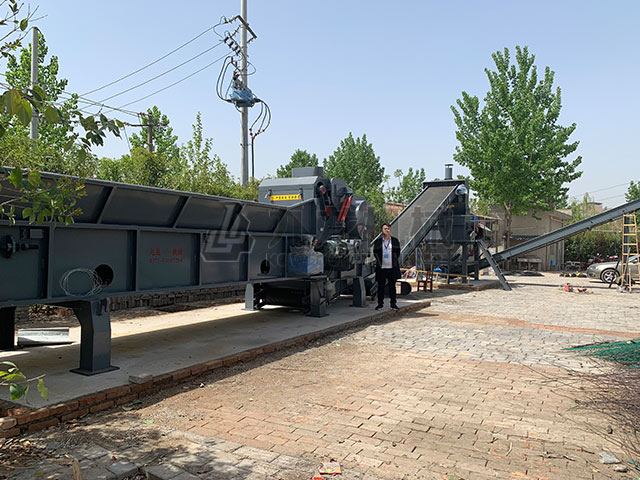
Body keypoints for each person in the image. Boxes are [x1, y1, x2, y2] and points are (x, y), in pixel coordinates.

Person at [373, 223, 401, 310]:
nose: (387, 230)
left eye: (388, 229)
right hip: (381, 267)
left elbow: (398, 252)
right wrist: (379, 262)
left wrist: (394, 260)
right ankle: (380, 304)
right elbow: (375, 252)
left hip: (392, 267)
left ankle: (393, 304)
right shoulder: (378, 241)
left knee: (392, 287)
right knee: (380, 286)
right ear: (382, 230)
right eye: (385, 229)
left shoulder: (395, 241)